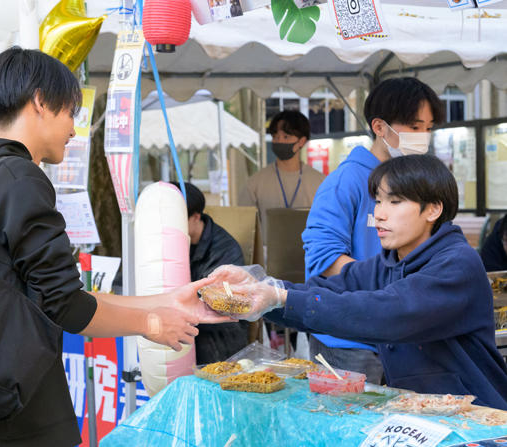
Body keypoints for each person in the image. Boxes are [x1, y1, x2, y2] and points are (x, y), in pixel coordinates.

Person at [0, 48, 228, 447]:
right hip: (1, 415)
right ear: (40, 102)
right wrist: (150, 324)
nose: (74, 130)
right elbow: (65, 306)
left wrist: (164, 301)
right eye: (70, 113)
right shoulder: (20, 178)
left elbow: (51, 295)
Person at [211, 155, 507, 410]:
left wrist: (280, 297)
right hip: (421, 414)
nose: (379, 214)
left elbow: (390, 312)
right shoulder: (386, 264)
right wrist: (260, 289)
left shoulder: (457, 263)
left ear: (433, 209)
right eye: (377, 201)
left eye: (395, 202)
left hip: (478, 416)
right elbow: (323, 291)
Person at [301, 78, 444, 383]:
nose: (423, 137)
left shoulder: (416, 183)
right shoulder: (346, 180)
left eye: (429, 128)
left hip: (398, 334)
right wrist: (385, 287)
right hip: (347, 339)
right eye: (414, 127)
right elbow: (323, 256)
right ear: (379, 127)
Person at [176, 181, 248, 363]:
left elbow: (220, 304)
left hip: (219, 341)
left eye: (176, 219)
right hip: (186, 331)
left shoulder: (225, 249)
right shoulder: (172, 242)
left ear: (195, 217)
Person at [239, 110, 325, 245]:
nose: (279, 141)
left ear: (302, 141)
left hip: (310, 254)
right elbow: (245, 229)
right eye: (275, 136)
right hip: (268, 255)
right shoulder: (254, 183)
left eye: (286, 137)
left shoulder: (321, 182)